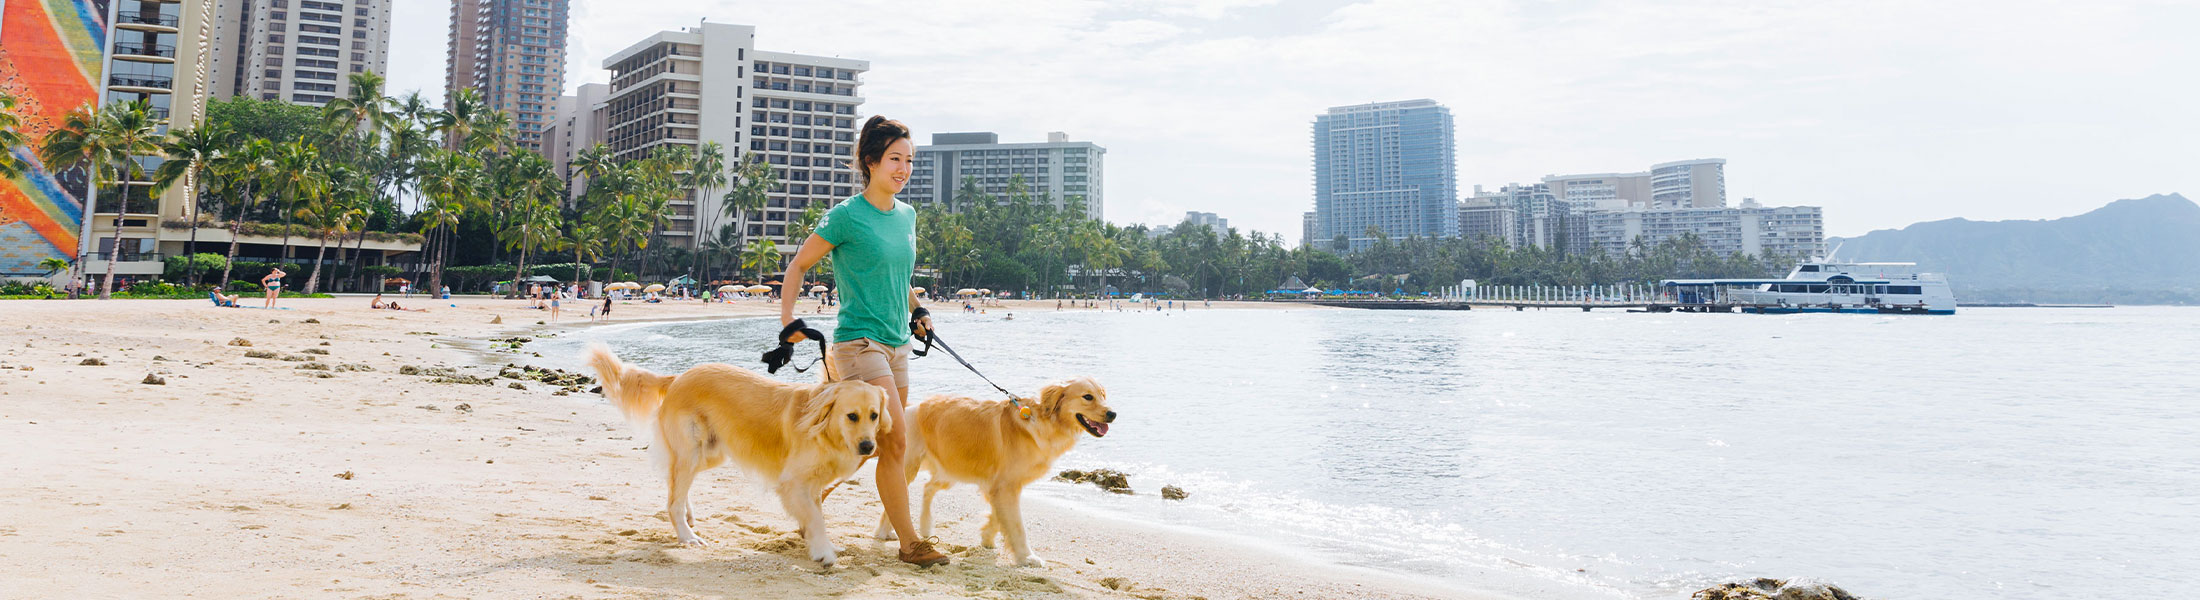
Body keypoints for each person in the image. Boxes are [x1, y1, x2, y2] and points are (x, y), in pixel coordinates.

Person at [777, 115, 948, 568]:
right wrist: (789, 319)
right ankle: (910, 544)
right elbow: (797, 265)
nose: (903, 168)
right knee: (895, 445)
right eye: (895, 159)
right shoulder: (847, 216)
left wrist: (918, 311)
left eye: (909, 160)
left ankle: (809, 498)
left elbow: (900, 277)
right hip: (858, 344)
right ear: (871, 161)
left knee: (886, 443)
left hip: (897, 344)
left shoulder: (907, 215)